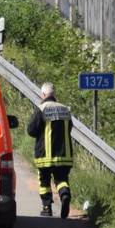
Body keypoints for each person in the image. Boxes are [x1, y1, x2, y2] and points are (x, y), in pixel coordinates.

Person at [27, 82, 74, 218]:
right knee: (61, 178)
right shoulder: (66, 109)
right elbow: (69, 128)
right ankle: (65, 194)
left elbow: (31, 130)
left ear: (43, 94)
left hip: (44, 155)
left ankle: (47, 208)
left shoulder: (41, 109)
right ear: (54, 93)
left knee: (44, 181)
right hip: (64, 154)